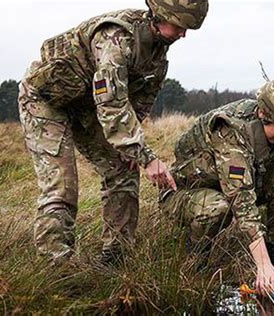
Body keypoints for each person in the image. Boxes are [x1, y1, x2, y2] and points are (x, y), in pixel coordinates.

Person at [18, 0, 208, 265]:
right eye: (179, 26)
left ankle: (116, 259)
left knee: (123, 167)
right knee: (62, 185)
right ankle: (57, 268)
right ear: (161, 14)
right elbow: (113, 104)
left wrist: (131, 150)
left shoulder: (156, 55)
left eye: (188, 28)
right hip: (47, 103)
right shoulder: (115, 38)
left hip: (88, 109)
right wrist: (148, 157)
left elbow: (137, 107)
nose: (183, 34)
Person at [160, 77, 274, 295]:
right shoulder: (230, 130)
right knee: (217, 207)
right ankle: (196, 263)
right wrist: (261, 265)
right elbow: (241, 200)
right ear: (264, 115)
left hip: (226, 188)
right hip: (186, 194)